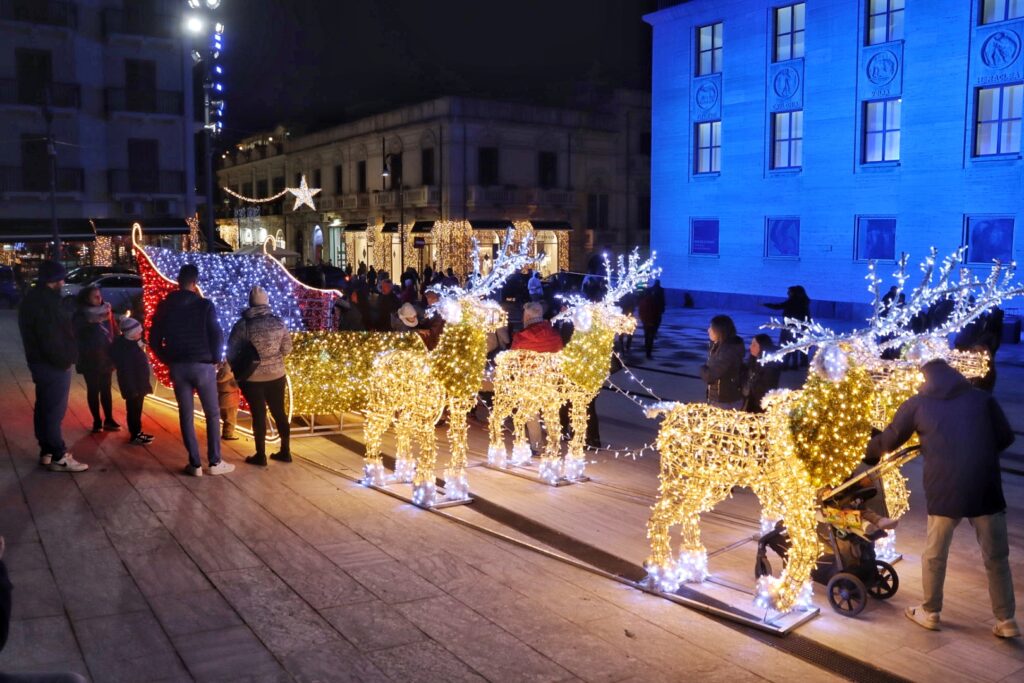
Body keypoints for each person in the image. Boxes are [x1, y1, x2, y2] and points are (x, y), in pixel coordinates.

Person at [866, 355, 1018, 637]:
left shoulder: (917, 404)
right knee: (997, 557)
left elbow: (889, 440)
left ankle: (931, 612)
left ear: (924, 377)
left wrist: (865, 448)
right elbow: (1006, 437)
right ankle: (1006, 620)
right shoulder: (982, 399)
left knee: (935, 554)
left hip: (944, 489)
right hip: (985, 487)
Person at [150, 263, 233, 477]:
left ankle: (194, 464)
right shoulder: (204, 305)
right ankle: (214, 461)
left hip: (178, 365)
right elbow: (216, 334)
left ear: (178, 281)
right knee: (212, 413)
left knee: (186, 414)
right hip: (203, 365)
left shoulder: (165, 306)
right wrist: (216, 359)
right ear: (195, 283)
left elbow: (154, 338)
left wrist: (167, 358)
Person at [17, 260, 88, 472]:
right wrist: (65, 360)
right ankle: (58, 455)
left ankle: (47, 451)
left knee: (44, 407)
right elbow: (51, 337)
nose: (63, 282)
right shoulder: (48, 304)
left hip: (40, 362)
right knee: (53, 411)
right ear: (54, 280)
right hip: (52, 364)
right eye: (61, 278)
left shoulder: (33, 299)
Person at [227, 286, 293, 467]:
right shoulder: (278, 322)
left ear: (250, 303)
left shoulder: (243, 325)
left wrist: (238, 368)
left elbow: (231, 352)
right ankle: (285, 451)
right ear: (267, 302)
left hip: (252, 378)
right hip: (277, 375)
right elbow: (287, 349)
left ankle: (261, 455)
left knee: (258, 415)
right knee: (279, 412)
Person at [511, 302, 564, 453]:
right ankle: (554, 446)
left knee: (531, 413)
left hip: (529, 380)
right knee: (551, 412)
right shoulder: (554, 335)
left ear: (527, 316)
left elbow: (513, 358)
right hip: (549, 379)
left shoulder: (521, 337)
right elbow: (560, 354)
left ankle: (536, 446)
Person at [73, 285, 120, 433]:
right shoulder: (81, 315)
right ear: (87, 299)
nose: (99, 299)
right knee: (93, 389)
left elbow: (114, 331)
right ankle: (97, 421)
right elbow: (76, 333)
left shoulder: (107, 311)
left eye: (99, 296)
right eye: (95, 296)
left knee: (106, 389)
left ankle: (109, 419)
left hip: (107, 355)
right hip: (90, 358)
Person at [108, 316, 154, 445]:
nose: (141, 334)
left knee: (135, 409)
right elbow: (127, 371)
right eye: (139, 332)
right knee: (134, 410)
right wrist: (132, 389)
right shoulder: (128, 350)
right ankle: (135, 434)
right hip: (134, 386)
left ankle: (136, 432)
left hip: (137, 384)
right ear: (132, 334)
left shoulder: (129, 344)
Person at [700, 314, 745, 409]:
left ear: (719, 331)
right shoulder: (719, 345)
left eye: (711, 328)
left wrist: (703, 369)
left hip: (725, 400)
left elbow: (711, 375)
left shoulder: (728, 350)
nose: (708, 330)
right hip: (721, 397)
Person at [763, 285, 811, 369]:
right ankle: (794, 364)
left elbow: (778, 306)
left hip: (789, 327)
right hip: (799, 327)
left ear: (794, 293)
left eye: (789, 292)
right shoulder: (804, 302)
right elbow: (807, 316)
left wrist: (767, 305)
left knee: (787, 345)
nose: (788, 293)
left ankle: (786, 364)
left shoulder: (792, 302)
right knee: (795, 345)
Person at [742, 334, 782, 413]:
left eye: (754, 345)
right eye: (751, 344)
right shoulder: (754, 360)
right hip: (752, 401)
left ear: (763, 347)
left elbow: (766, 386)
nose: (750, 347)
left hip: (763, 403)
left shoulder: (770, 365)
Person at [638, 279, 666, 359]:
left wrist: (643, 320)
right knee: (651, 336)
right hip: (652, 321)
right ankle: (648, 353)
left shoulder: (643, 301)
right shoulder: (655, 301)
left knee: (647, 335)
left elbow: (641, 312)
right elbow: (657, 311)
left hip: (646, 321)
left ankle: (647, 350)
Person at [216, 362, 240, 441]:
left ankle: (226, 433)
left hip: (222, 397)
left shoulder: (220, 373)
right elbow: (235, 385)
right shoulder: (231, 373)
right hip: (231, 397)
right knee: (230, 418)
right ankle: (228, 434)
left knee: (225, 417)